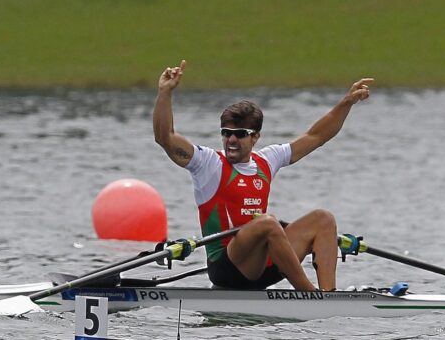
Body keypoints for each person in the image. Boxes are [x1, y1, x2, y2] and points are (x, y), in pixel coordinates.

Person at [153, 60, 372, 291]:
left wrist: (346, 103)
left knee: (323, 219)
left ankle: (329, 296)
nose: (231, 140)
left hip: (264, 265)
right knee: (268, 223)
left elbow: (316, 136)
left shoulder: (267, 160)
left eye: (239, 134)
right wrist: (164, 93)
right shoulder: (208, 163)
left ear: (255, 137)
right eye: (226, 133)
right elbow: (164, 137)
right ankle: (310, 295)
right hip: (226, 268)